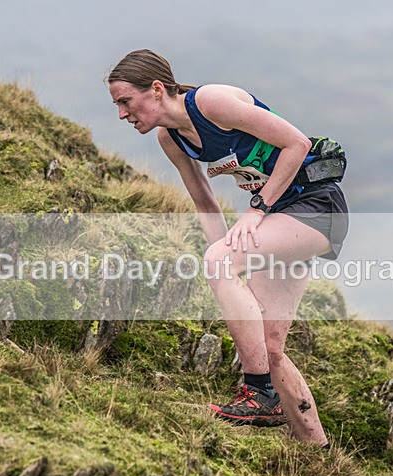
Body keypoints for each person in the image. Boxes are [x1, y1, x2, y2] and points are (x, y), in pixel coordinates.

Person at [107, 49, 348, 447]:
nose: (122, 114)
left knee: (221, 263)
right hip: (280, 218)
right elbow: (205, 204)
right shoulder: (172, 139)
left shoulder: (211, 102)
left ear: (154, 89)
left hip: (316, 205)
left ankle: (258, 394)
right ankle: (318, 450)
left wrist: (256, 211)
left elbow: (297, 144)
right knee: (269, 348)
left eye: (125, 101)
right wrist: (222, 265)